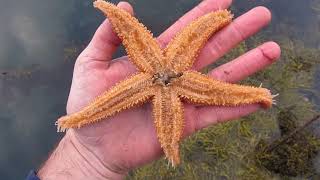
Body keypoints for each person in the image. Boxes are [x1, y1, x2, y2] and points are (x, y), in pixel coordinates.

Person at [26, 0, 281, 179]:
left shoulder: (167, 67)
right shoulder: (144, 70)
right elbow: (129, 29)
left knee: (224, 90)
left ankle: (256, 92)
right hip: (157, 81)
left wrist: (218, 19)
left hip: (169, 80)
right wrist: (78, 125)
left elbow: (220, 90)